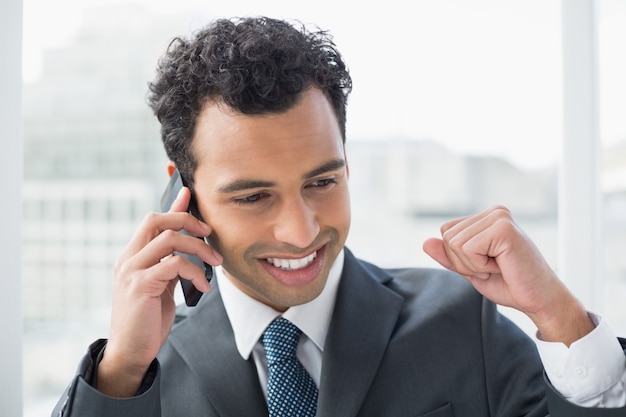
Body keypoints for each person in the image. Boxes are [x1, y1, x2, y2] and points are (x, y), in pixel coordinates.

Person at [53, 16, 626, 417]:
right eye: (253, 196)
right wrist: (122, 371)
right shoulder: (136, 368)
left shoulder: (462, 322)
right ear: (184, 190)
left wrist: (559, 315)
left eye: (322, 181)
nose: (302, 231)